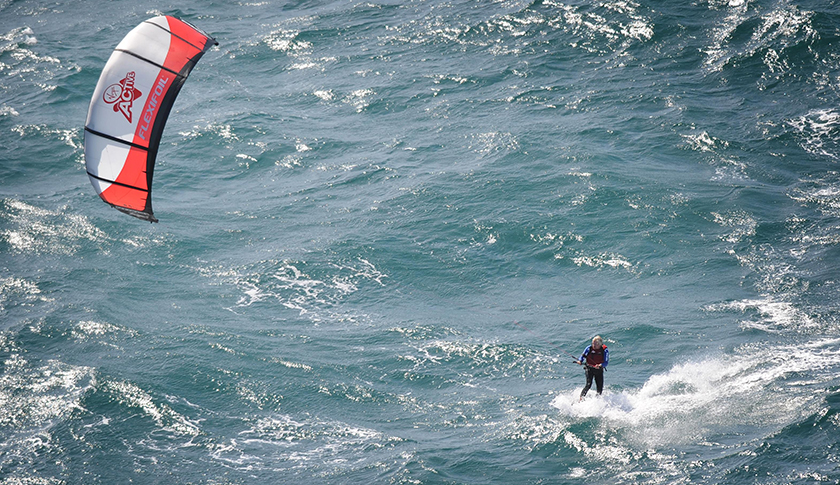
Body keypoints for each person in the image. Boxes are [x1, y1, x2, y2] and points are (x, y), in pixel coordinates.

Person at [576, 335, 608, 400]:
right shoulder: (589, 348)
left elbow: (606, 362)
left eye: (595, 344)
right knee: (588, 384)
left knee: (599, 388)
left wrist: (600, 365)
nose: (593, 345)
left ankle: (597, 400)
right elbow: (582, 356)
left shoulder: (604, 350)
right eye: (593, 343)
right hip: (589, 369)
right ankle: (581, 398)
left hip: (598, 370)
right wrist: (580, 361)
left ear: (599, 344)